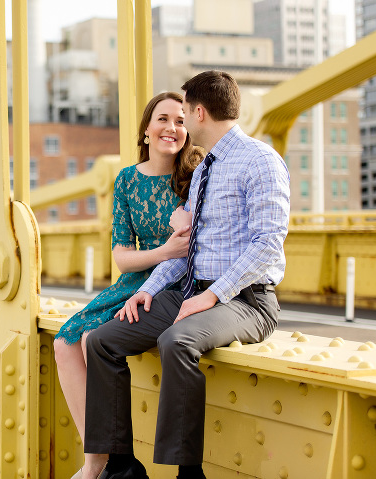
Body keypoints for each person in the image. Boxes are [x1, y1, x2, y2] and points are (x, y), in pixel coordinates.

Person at [81, 71, 291, 479]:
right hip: (194, 291)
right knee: (104, 341)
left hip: (247, 300)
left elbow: (267, 245)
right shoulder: (204, 170)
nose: (181, 123)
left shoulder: (261, 160)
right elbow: (188, 249)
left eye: (184, 114)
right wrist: (150, 290)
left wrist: (213, 297)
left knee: (176, 341)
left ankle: (188, 473)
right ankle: (122, 465)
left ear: (199, 112)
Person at [54, 92, 203, 479]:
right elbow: (121, 254)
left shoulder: (196, 174)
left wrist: (170, 253)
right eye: (163, 119)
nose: (173, 127)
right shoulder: (126, 180)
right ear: (147, 130)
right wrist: (163, 249)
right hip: (133, 280)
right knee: (64, 342)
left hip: (175, 284)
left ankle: (97, 466)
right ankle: (97, 459)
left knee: (93, 341)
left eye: (181, 121)